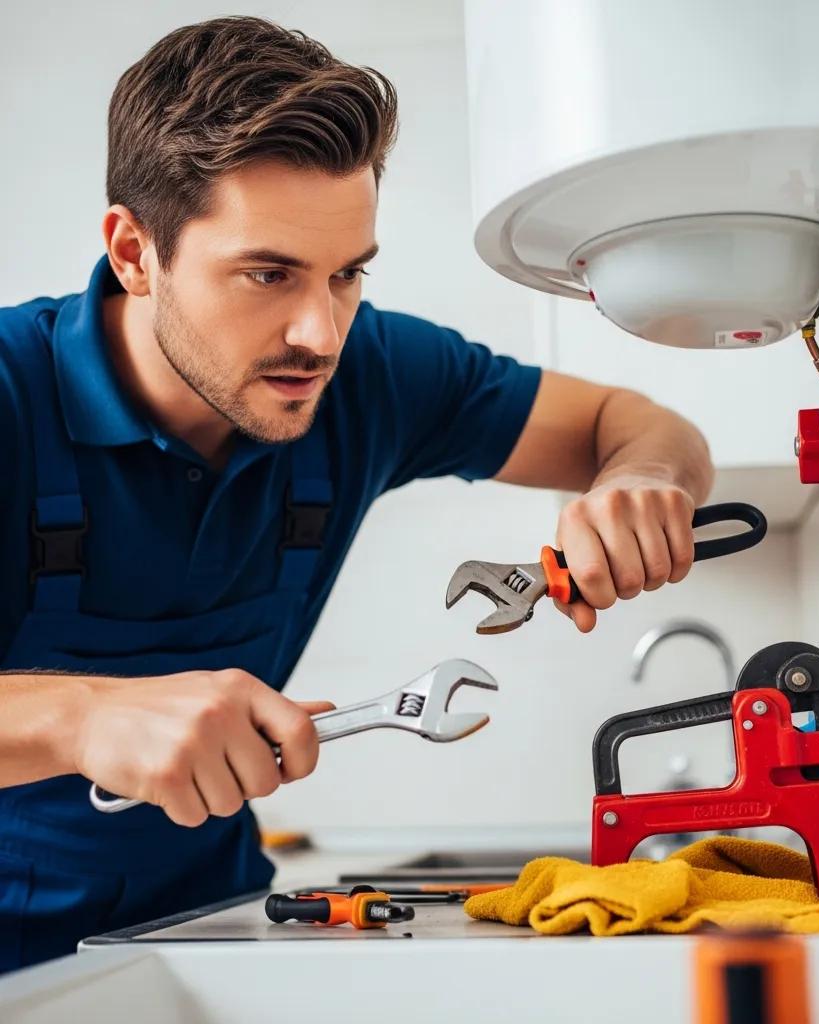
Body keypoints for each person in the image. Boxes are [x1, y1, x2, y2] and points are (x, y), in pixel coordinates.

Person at [0, 16, 712, 970]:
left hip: (200, 931)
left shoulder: (367, 373)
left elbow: (634, 423)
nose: (320, 333)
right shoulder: (11, 392)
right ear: (135, 252)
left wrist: (643, 480)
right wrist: (81, 717)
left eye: (347, 276)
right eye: (267, 273)